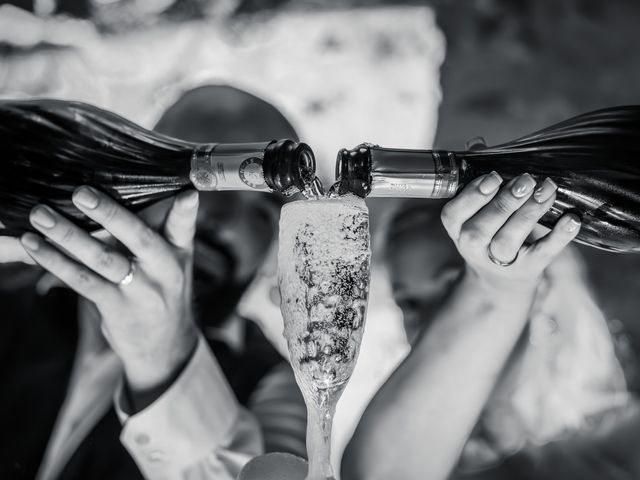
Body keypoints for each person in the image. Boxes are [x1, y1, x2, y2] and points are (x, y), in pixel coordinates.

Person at [0, 85, 305, 480]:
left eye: (263, 211)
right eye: (209, 181)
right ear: (128, 175)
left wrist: (166, 358)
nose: (226, 223)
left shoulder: (277, 386)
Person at [341, 159, 638, 479]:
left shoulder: (623, 445)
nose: (431, 322)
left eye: (454, 288)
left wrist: (497, 291)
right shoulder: (438, 452)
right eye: (409, 302)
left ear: (541, 288)